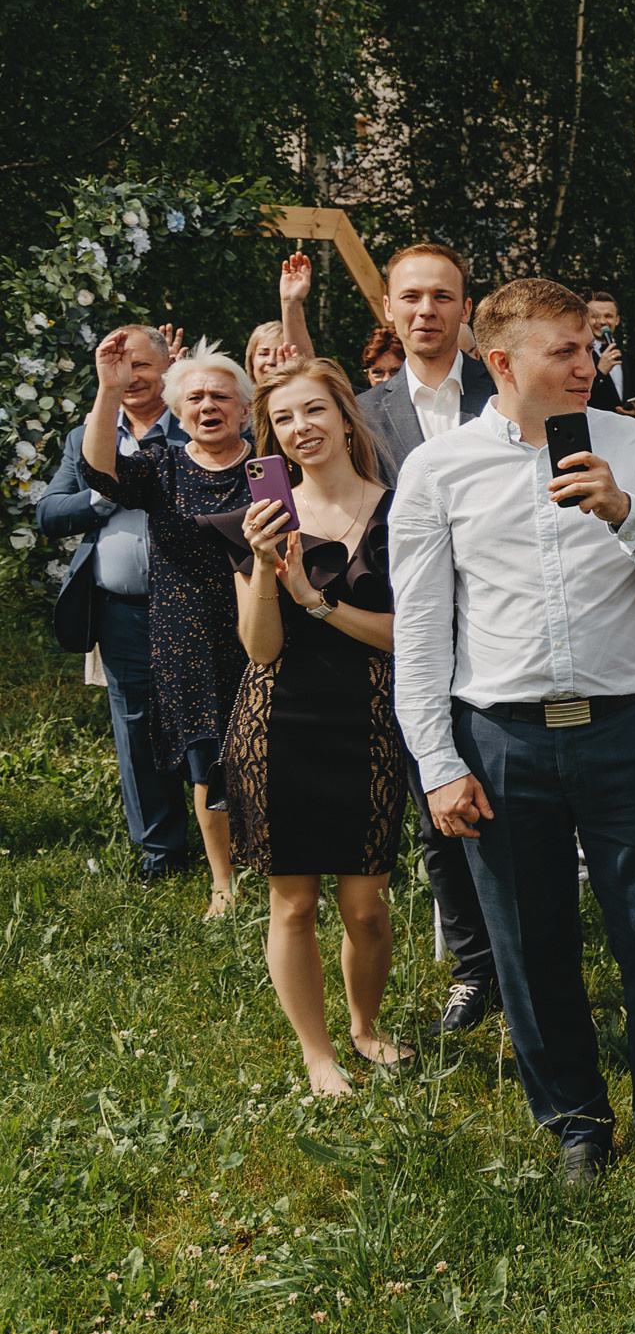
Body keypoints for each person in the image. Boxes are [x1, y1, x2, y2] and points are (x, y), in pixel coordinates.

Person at [391, 277, 635, 1182]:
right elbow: (421, 630)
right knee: (530, 944)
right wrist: (437, 762)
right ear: (501, 361)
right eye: (564, 350)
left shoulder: (634, 445)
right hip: (502, 738)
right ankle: (575, 1121)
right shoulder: (439, 470)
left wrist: (625, 511)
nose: (587, 365)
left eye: (589, 347)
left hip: (622, 728)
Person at [220, 360, 409, 1097]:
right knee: (294, 903)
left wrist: (317, 598)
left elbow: (409, 637)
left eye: (315, 410)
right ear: (272, 438)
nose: (302, 428)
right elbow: (261, 649)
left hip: (369, 722)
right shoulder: (261, 522)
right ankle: (317, 1051)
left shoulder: (401, 511)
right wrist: (268, 570)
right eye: (285, 419)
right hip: (279, 726)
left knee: (367, 908)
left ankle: (365, 1025)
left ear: (344, 417)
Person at [354, 243, 503, 1036]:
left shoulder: (503, 392)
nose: (426, 310)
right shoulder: (361, 413)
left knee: (512, 811)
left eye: (442, 296)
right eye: (410, 296)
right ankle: (475, 970)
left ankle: (527, 961)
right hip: (405, 638)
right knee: (436, 812)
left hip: (498, 632)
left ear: (465, 308)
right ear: (389, 307)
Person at [79, 336, 255, 917]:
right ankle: (223, 883)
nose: (208, 406)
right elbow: (99, 471)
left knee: (268, 751)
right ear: (179, 411)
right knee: (206, 758)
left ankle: (282, 865)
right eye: (196, 398)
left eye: (221, 396)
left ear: (244, 408)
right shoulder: (161, 466)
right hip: (185, 640)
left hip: (262, 631)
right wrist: (108, 390)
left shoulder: (268, 469)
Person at [38, 325, 191, 882]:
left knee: (213, 722)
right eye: (119, 368)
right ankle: (161, 853)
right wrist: (105, 493)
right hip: (122, 610)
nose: (130, 378)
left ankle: (234, 843)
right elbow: (50, 513)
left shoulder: (197, 421)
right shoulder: (87, 435)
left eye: (142, 366)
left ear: (169, 366)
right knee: (137, 728)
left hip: (195, 609)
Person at [242, 251, 319, 385]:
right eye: (264, 353)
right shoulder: (236, 397)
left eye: (282, 354)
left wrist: (291, 303)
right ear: (251, 360)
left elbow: (304, 369)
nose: (272, 361)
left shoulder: (308, 394)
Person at [586, 292, 635, 414]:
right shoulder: (580, 356)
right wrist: (600, 372)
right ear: (586, 319)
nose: (602, 321)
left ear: (617, 320)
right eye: (595, 316)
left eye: (608, 316)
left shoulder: (629, 359)